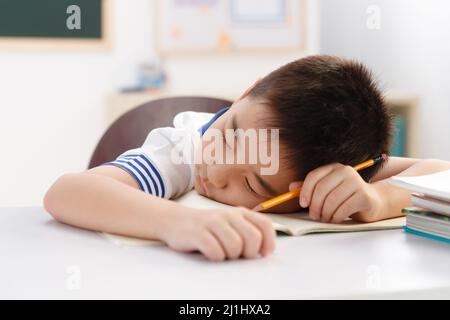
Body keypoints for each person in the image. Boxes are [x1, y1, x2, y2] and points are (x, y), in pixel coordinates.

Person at [44, 55, 450, 261]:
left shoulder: (327, 166)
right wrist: (177, 222)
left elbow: (438, 172)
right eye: (232, 134)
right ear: (246, 92)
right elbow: (66, 192)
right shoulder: (184, 149)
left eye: (254, 184)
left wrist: (375, 198)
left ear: (309, 186)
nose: (216, 170)